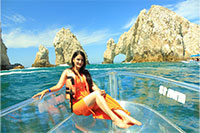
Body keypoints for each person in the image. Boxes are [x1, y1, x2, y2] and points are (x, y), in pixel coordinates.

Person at [33, 50, 142, 129]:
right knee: (96, 95)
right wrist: (46, 91)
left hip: (87, 102)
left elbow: (93, 86)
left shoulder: (85, 73)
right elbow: (58, 86)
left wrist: (100, 91)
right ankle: (115, 119)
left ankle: (126, 117)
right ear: (73, 60)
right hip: (76, 105)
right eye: (78, 59)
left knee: (103, 96)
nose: (80, 62)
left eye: (82, 60)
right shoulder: (67, 72)